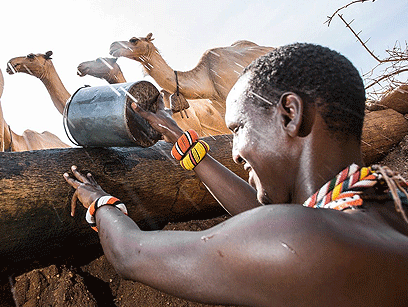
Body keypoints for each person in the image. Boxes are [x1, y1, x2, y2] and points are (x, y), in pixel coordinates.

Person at [64, 43, 408, 306]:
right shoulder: (388, 205)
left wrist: (99, 202)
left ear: (290, 114)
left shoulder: (304, 241)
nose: (235, 151)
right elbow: (267, 217)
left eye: (239, 128)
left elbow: (131, 254)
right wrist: (180, 139)